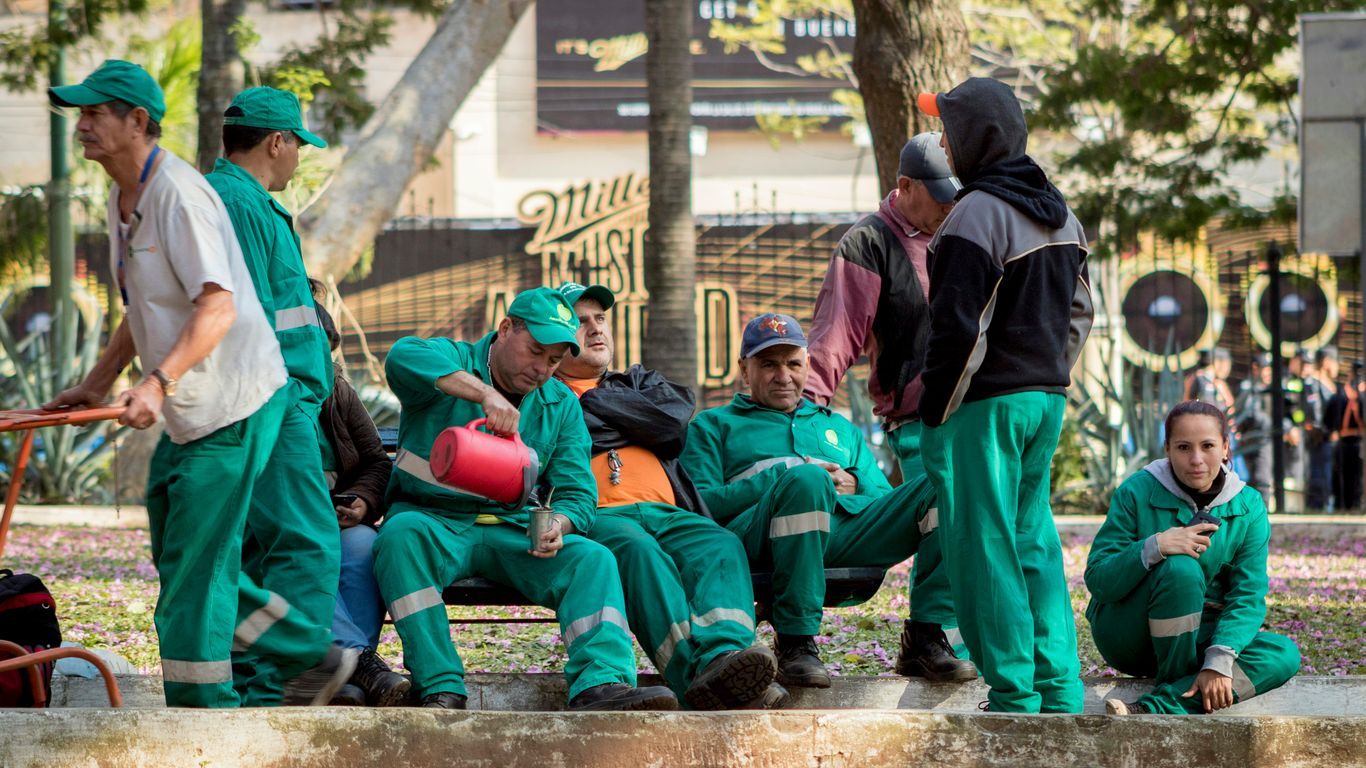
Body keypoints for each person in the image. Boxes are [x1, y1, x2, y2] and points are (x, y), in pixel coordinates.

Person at [45, 60, 353, 707]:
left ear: (138, 122)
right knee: (184, 552)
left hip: (238, 401)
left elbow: (218, 307)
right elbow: (149, 304)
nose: (83, 125)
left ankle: (206, 717)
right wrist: (99, 382)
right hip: (200, 406)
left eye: (95, 112)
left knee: (200, 565)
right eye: (81, 113)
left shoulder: (182, 195)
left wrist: (154, 383)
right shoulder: (125, 198)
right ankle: (300, 648)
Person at [371, 287, 677, 711]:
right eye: (534, 351)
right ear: (505, 329)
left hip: (516, 531)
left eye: (554, 360)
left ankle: (602, 684)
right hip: (432, 521)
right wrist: (482, 394)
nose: (541, 369)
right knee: (398, 537)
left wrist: (561, 524)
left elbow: (578, 493)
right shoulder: (456, 360)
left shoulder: (560, 403)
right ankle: (440, 685)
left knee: (593, 559)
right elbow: (403, 356)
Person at [914, 78, 1093, 713]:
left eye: (948, 130)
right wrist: (1048, 372)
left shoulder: (974, 213)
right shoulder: (1061, 212)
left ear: (975, 138)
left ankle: (1014, 692)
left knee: (983, 544)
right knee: (1033, 542)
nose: (942, 141)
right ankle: (1059, 687)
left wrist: (935, 411)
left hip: (982, 407)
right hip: (1044, 402)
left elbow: (959, 330)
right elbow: (1081, 312)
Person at [682, 314, 950, 689]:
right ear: (745, 370)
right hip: (759, 539)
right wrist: (786, 475)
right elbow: (701, 506)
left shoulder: (837, 426)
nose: (783, 375)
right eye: (768, 364)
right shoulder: (713, 426)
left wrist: (855, 482)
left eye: (793, 363)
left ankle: (925, 634)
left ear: (807, 365)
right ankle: (795, 642)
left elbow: (882, 498)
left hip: (843, 534)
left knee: (944, 485)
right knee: (806, 480)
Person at [551, 282, 781, 710]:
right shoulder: (545, 395)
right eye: (580, 322)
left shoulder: (638, 380)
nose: (595, 329)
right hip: (598, 516)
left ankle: (725, 655)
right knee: (639, 553)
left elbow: (673, 422)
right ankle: (697, 677)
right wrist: (633, 418)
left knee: (719, 542)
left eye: (600, 319)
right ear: (555, 334)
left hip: (668, 512)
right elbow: (569, 434)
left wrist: (600, 406)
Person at [802, 133, 974, 682]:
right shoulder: (868, 243)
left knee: (975, 522)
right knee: (947, 508)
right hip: (920, 418)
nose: (951, 206)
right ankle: (926, 635)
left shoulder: (966, 227)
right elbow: (833, 341)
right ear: (904, 186)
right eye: (941, 196)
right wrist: (799, 426)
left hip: (979, 413)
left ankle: (961, 633)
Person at [205, 86, 340, 706]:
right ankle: (296, 668)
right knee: (308, 543)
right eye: (298, 146)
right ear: (277, 141)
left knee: (261, 552)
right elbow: (243, 317)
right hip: (271, 404)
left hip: (275, 403)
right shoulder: (241, 204)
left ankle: (257, 686)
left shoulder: (239, 200)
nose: (299, 160)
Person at [1088, 401, 1300, 715]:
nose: (1196, 460)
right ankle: (1176, 686)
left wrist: (1218, 663)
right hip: (1131, 635)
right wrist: (1156, 546)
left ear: (1226, 448)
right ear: (1167, 449)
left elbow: (1248, 594)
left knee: (1284, 654)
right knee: (1179, 568)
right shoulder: (1136, 491)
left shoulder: (1249, 505)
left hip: (1202, 638)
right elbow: (1099, 579)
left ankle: (1160, 704)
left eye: (1208, 446)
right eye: (1184, 447)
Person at [306, 298, 410, 707]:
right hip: (283, 528)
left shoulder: (336, 392)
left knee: (365, 545)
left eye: (326, 352)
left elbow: (374, 462)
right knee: (305, 551)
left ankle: (352, 674)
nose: (319, 363)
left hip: (338, 521)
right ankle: (359, 664)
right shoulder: (260, 397)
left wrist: (363, 504)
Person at [1233, 353, 1274, 506]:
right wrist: (1274, 425)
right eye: (1265, 369)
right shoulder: (1248, 388)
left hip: (1263, 439)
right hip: (1253, 439)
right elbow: (1252, 415)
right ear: (1255, 368)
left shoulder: (1268, 388)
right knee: (1257, 479)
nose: (1269, 373)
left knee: (1261, 479)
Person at [1304, 347, 1339, 511]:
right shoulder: (1313, 383)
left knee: (1329, 472)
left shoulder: (1329, 384)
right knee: (1320, 473)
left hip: (1333, 438)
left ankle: (1329, 502)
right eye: (1335, 362)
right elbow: (1314, 411)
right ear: (1326, 362)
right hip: (1321, 438)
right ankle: (1319, 504)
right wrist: (1324, 431)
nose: (1337, 367)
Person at [1327, 361, 1363, 511]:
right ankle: (1349, 504)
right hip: (1350, 440)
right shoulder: (1342, 394)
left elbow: (1328, 418)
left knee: (1349, 476)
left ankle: (1346, 504)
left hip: (1349, 440)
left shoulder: (1341, 394)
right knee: (1348, 476)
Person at [1184, 349, 1235, 414]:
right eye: (1226, 364)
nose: (1227, 368)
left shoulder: (1219, 383)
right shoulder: (1198, 379)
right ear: (1216, 362)